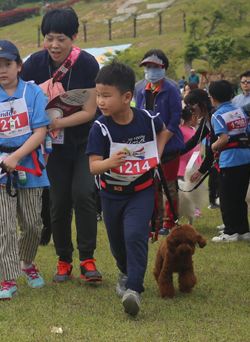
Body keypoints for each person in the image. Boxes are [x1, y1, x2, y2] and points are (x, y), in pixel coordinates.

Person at [18, 8, 103, 283]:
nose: (54, 45)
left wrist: (55, 124)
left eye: (62, 39)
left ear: (75, 37)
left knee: (83, 194)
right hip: (51, 147)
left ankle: (87, 260)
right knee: (58, 202)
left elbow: (90, 111)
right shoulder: (33, 64)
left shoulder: (88, 64)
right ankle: (63, 260)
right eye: (49, 38)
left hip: (82, 142)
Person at [89, 63, 175, 316]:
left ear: (127, 97)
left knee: (136, 235)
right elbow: (94, 166)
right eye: (98, 95)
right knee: (117, 243)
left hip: (142, 191)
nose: (100, 101)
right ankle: (125, 272)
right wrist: (110, 163)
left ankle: (134, 290)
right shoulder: (100, 127)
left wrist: (156, 154)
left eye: (106, 95)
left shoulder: (148, 120)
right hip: (110, 194)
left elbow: (165, 132)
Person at [0, 40, 51, 300]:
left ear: (19, 66)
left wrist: (17, 156)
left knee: (32, 225)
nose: (3, 70)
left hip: (29, 164)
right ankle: (8, 279)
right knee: (3, 226)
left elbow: (40, 131)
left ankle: (27, 263)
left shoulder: (33, 92)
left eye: (8, 64)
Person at [133, 49, 184, 236]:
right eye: (148, 66)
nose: (151, 70)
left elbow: (175, 120)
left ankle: (170, 223)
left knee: (169, 185)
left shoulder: (171, 90)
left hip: (169, 145)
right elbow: (138, 117)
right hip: (148, 146)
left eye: (155, 67)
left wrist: (160, 147)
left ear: (164, 68)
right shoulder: (141, 91)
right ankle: (154, 221)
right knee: (150, 186)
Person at [207, 80, 250, 243]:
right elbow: (246, 132)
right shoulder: (240, 111)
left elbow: (224, 138)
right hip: (245, 158)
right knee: (240, 196)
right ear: (232, 95)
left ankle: (230, 232)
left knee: (226, 198)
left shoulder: (217, 115)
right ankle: (244, 231)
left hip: (230, 161)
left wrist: (213, 147)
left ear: (212, 98)